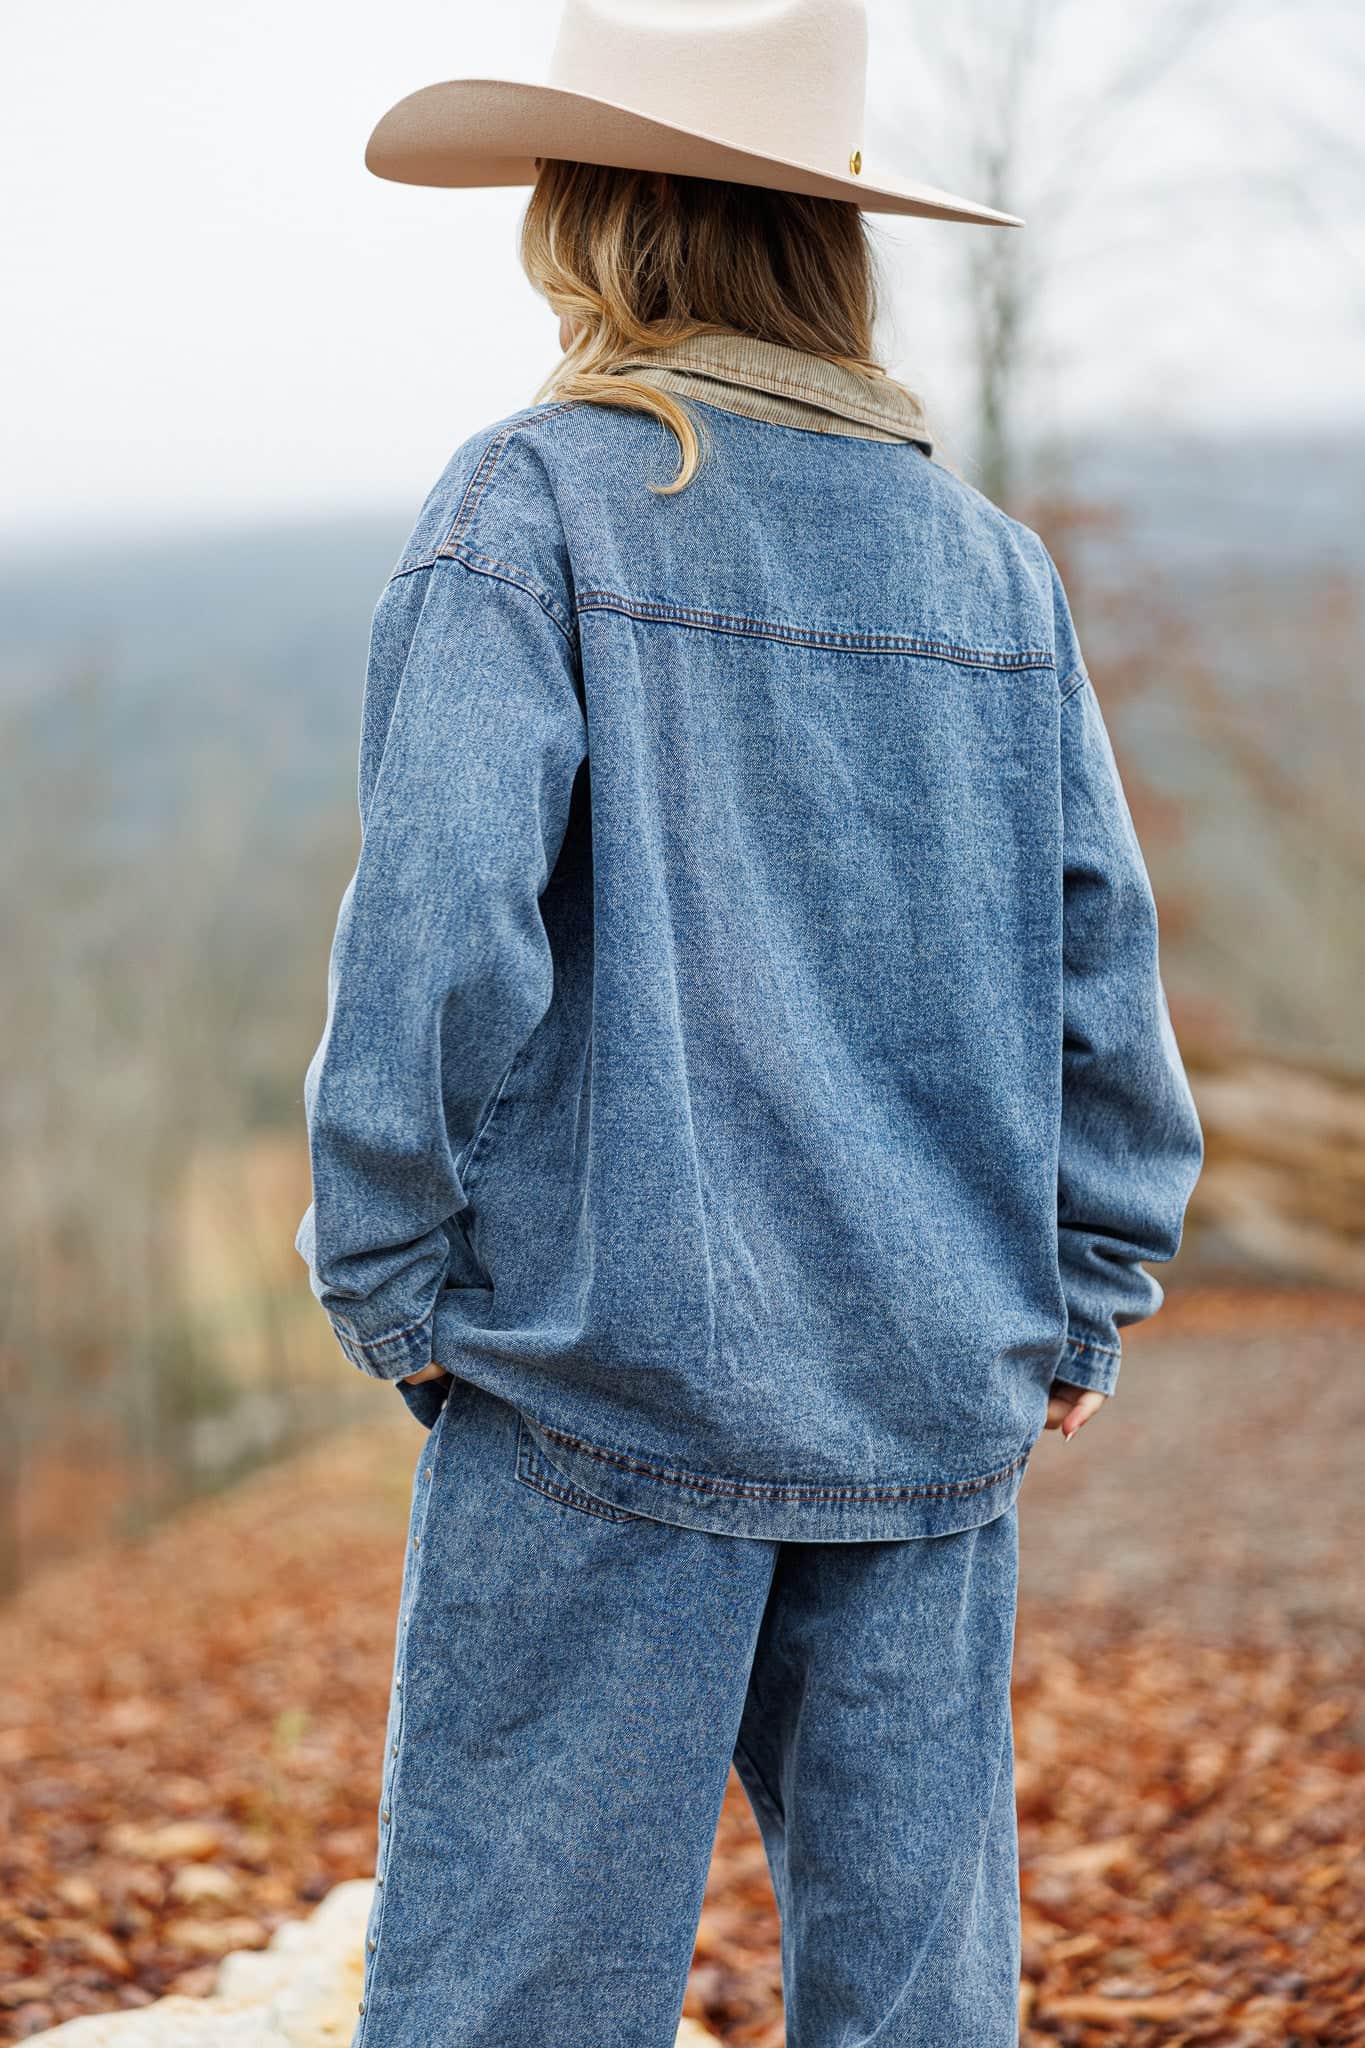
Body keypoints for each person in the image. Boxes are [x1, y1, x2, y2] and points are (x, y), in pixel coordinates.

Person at [294, 3, 1205, 2042]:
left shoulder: (531, 503)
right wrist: (1080, 1287)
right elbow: (1101, 979)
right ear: (822, 237)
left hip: (603, 1377)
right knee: (915, 2005)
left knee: (513, 2000)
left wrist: (388, 1268)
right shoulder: (989, 573)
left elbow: (439, 941)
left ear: (596, 215)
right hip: (924, 1392)